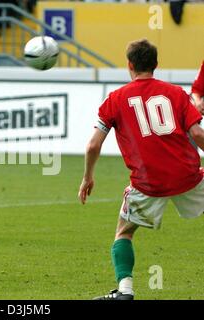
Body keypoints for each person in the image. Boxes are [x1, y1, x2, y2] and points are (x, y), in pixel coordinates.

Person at [78, 39, 204, 300]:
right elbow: (197, 133)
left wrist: (88, 177)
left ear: (130, 65)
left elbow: (92, 146)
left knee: (124, 231)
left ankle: (124, 291)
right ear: (156, 65)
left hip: (149, 184)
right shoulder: (177, 94)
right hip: (189, 176)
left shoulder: (115, 99)